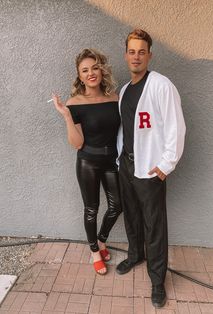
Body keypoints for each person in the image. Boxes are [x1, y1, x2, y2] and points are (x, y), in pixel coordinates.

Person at [116, 29, 186, 308]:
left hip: (150, 169)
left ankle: (157, 281)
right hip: (128, 165)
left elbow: (176, 127)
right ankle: (135, 255)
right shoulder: (124, 90)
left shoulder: (160, 85)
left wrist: (167, 164)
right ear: (126, 55)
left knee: (154, 225)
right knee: (131, 216)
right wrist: (119, 159)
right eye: (132, 51)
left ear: (149, 55)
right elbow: (125, 128)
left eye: (141, 51)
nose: (136, 56)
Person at [52, 48, 122, 275]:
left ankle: (101, 241)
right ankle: (94, 251)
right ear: (79, 76)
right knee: (91, 209)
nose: (90, 73)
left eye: (94, 68)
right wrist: (66, 116)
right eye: (85, 70)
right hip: (88, 162)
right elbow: (77, 143)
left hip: (112, 161)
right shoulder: (75, 103)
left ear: (101, 70)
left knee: (117, 205)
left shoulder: (115, 98)